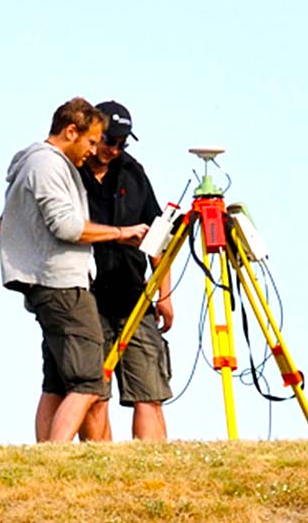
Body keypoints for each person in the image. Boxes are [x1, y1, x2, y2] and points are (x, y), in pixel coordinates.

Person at [0, 97, 147, 443]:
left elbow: (4, 225)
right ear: (71, 131)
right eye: (92, 142)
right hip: (62, 284)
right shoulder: (47, 166)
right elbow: (66, 226)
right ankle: (57, 456)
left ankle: (48, 458)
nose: (94, 151)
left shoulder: (36, 165)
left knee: (57, 382)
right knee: (89, 382)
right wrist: (119, 233)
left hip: (48, 283)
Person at [78, 101, 174, 441]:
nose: (114, 150)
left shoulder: (134, 172)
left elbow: (159, 237)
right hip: (86, 298)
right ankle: (102, 471)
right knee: (91, 393)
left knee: (150, 391)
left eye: (122, 143)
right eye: (108, 141)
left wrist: (165, 295)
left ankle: (153, 472)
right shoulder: (70, 171)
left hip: (135, 295)